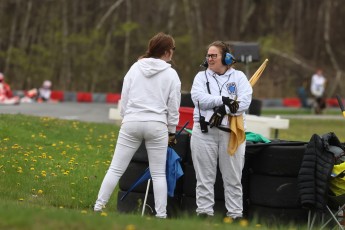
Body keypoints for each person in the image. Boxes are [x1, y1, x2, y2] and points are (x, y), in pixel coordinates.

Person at [93, 32, 181, 218]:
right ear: (166, 51)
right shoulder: (171, 74)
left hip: (132, 121)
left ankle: (98, 207)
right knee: (158, 174)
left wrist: (126, 116)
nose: (173, 53)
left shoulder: (134, 68)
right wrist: (172, 131)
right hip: (157, 125)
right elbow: (173, 107)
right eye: (172, 49)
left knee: (116, 168)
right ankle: (161, 215)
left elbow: (124, 97)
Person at [190, 41, 252, 219]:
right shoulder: (201, 77)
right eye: (208, 55)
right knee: (204, 178)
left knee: (233, 178)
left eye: (214, 55)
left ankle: (235, 214)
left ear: (225, 58)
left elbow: (244, 102)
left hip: (230, 133)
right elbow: (198, 99)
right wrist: (223, 101)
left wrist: (223, 109)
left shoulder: (239, 77)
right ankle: (204, 213)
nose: (209, 59)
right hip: (204, 133)